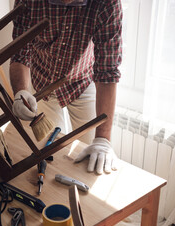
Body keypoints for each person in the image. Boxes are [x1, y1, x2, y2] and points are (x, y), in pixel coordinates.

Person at [10, 0, 122, 175]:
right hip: (42, 83)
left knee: (91, 159)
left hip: (82, 82)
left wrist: (103, 139)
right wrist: (21, 92)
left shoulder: (107, 2)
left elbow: (107, 72)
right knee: (50, 154)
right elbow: (20, 54)